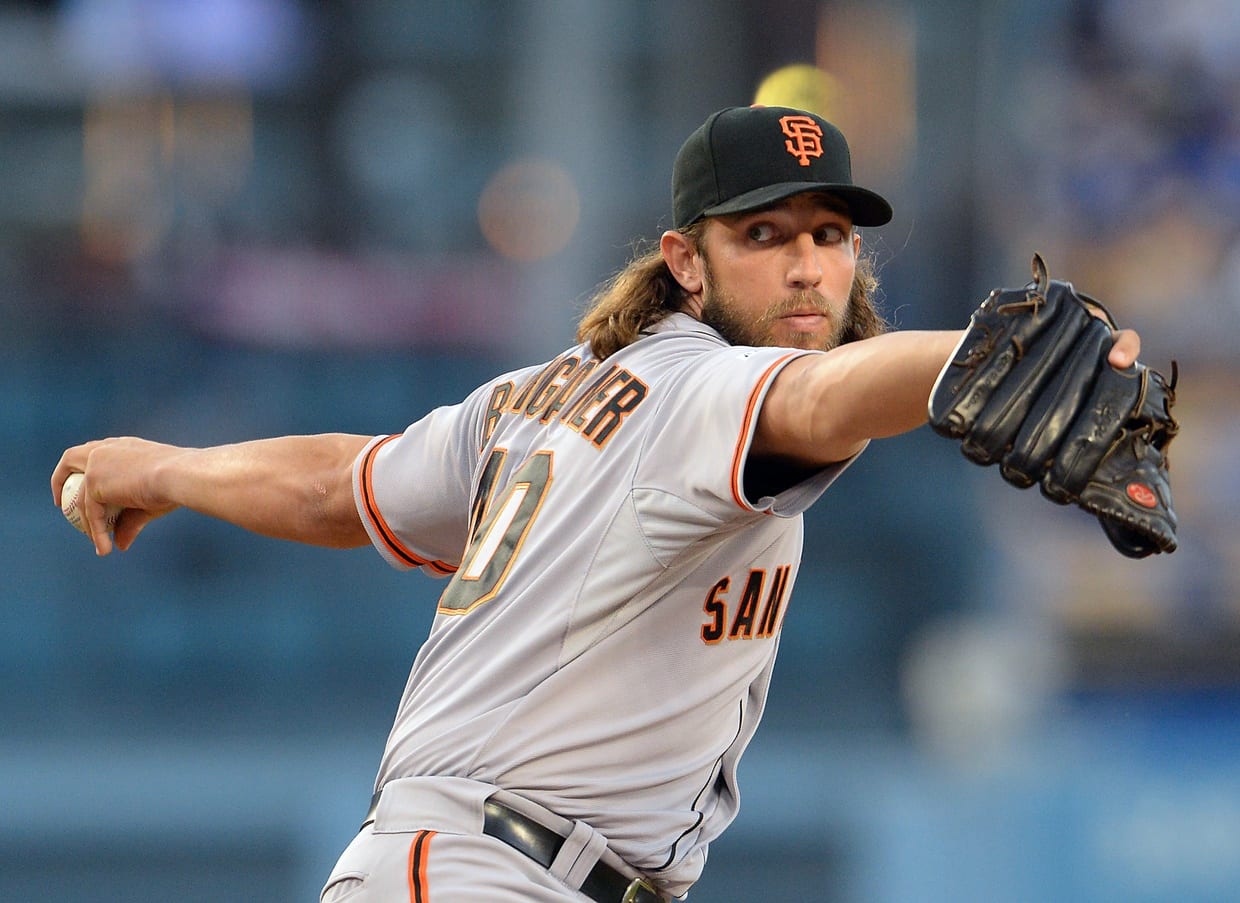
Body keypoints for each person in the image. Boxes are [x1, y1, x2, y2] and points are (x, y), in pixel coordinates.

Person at [51, 105, 1142, 902]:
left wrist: (163, 470)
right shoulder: (700, 388)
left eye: (829, 235)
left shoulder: (538, 397)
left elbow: (346, 481)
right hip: (496, 873)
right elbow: (826, 393)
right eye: (763, 235)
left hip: (477, 868)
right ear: (687, 263)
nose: (809, 268)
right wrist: (973, 355)